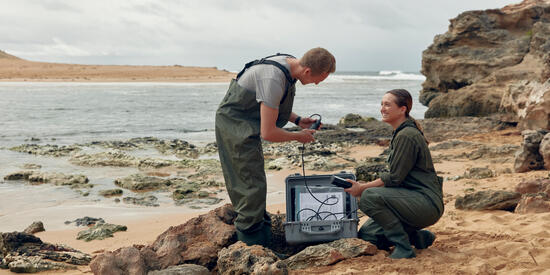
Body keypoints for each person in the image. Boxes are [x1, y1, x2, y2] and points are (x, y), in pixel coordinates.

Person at [215, 47, 336, 246]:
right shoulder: (272, 78)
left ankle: (264, 240)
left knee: (256, 181)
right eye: (318, 80)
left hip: (248, 124)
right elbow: (268, 133)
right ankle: (251, 248)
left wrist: (298, 120)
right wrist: (298, 137)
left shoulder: (290, 65)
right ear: (307, 71)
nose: (315, 84)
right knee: (248, 185)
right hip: (234, 126)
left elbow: (270, 102)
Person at [344, 89, 444, 259]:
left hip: (426, 203)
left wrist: (362, 188)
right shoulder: (401, 132)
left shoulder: (407, 135)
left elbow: (394, 178)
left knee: (369, 197)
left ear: (402, 109)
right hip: (410, 199)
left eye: (388, 104)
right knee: (368, 236)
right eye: (382, 104)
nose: (382, 108)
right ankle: (418, 237)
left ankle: (403, 247)